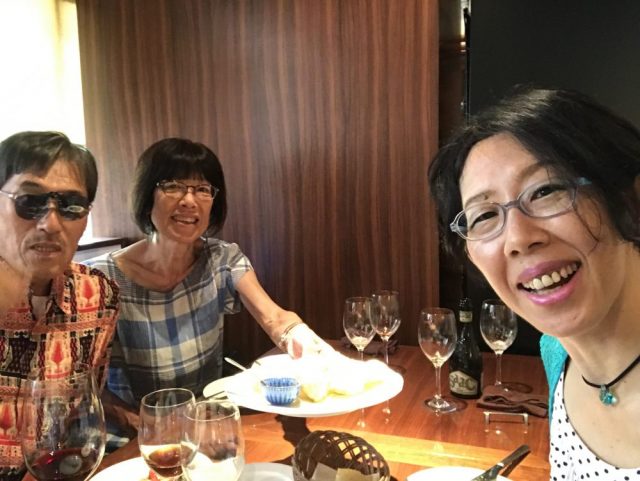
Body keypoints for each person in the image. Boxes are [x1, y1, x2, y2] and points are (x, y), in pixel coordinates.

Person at [428, 88, 640, 478]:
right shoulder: (557, 354)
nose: (518, 238)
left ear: (627, 200)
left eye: (546, 191)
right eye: (484, 216)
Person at [85, 138, 332, 431]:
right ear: (147, 194)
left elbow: (274, 318)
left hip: (207, 425)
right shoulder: (100, 279)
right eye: (173, 186)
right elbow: (82, 383)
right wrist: (139, 422)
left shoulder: (222, 259)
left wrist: (306, 344)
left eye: (202, 189)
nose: (189, 201)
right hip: (134, 437)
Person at [0, 131, 119, 480]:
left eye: (70, 204)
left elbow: (81, 415)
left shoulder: (97, 296)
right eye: (29, 200)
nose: (50, 223)